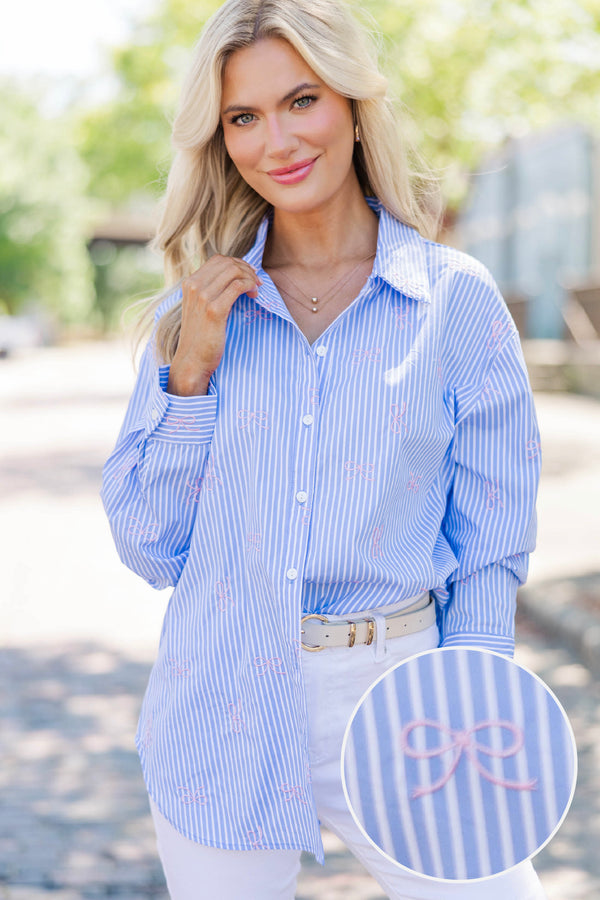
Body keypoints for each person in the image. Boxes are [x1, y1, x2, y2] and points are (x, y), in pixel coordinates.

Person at [101, 1, 546, 897]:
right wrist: (191, 375)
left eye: (301, 99)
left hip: (406, 698)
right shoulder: (191, 318)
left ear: (350, 101)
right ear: (219, 139)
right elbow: (149, 546)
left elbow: (492, 532)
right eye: (243, 117)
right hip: (220, 703)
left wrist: (478, 691)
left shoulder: (453, 302)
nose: (278, 140)